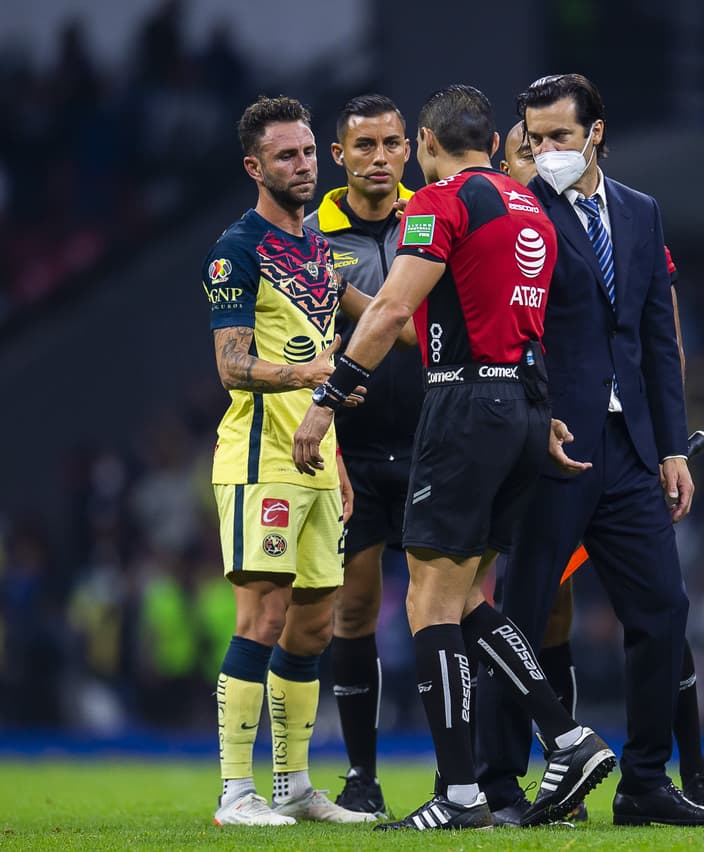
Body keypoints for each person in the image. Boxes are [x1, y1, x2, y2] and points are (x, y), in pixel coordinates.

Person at [293, 83, 615, 832]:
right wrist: (541, 418)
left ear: (427, 146)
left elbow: (394, 309)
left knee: (426, 603)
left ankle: (461, 793)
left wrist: (329, 396)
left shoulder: (442, 201)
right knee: (467, 598)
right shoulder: (527, 203)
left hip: (465, 407)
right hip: (522, 404)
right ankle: (567, 736)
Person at [474, 75, 704, 828]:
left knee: (663, 609)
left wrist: (673, 447)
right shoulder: (523, 215)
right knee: (518, 614)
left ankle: (645, 782)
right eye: (535, 136)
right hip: (551, 445)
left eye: (559, 135)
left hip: (630, 450)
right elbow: (510, 328)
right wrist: (531, 422)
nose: (545, 150)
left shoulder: (641, 213)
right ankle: (498, 784)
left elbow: (658, 337)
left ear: (596, 133)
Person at [202, 95, 377, 827]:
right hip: (258, 459)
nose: (303, 166)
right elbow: (231, 364)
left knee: (312, 624)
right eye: (286, 156)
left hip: (316, 461)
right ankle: (234, 793)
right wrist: (317, 378)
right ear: (255, 166)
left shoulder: (316, 250)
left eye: (308, 152)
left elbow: (386, 316)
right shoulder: (235, 249)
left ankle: (292, 786)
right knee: (262, 617)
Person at [302, 93, 418, 819]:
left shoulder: (440, 216)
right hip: (355, 452)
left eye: (392, 143)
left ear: (410, 148)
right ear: (338, 156)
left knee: (451, 613)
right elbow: (305, 345)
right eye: (364, 146)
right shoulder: (312, 236)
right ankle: (361, 777)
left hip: (439, 443)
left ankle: (467, 778)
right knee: (355, 611)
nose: (380, 158)